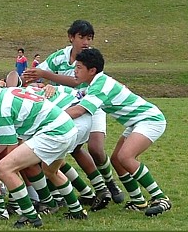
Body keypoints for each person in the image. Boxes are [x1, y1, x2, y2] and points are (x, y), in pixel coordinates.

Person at [0, 67, 87, 228]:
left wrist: (11, 170)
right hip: (68, 128)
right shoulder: (9, 92)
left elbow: (11, 147)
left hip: (54, 132)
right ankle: (77, 211)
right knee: (51, 171)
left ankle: (30, 215)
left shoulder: (2, 107)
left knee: (4, 167)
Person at [22, 20, 125, 204]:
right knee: (68, 150)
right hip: (68, 108)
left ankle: (109, 184)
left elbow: (77, 83)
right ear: (71, 37)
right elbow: (35, 74)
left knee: (95, 148)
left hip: (90, 106)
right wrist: (37, 82)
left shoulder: (90, 59)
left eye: (89, 38)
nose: (86, 42)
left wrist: (46, 77)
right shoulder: (58, 57)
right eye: (82, 37)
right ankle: (91, 190)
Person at [65, 48, 171, 217]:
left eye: (78, 67)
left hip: (150, 120)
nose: (74, 71)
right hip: (137, 122)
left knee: (125, 157)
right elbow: (75, 97)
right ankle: (138, 201)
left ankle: (160, 197)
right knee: (116, 159)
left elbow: (79, 110)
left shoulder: (100, 85)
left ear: (91, 70)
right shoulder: (95, 83)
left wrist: (53, 117)